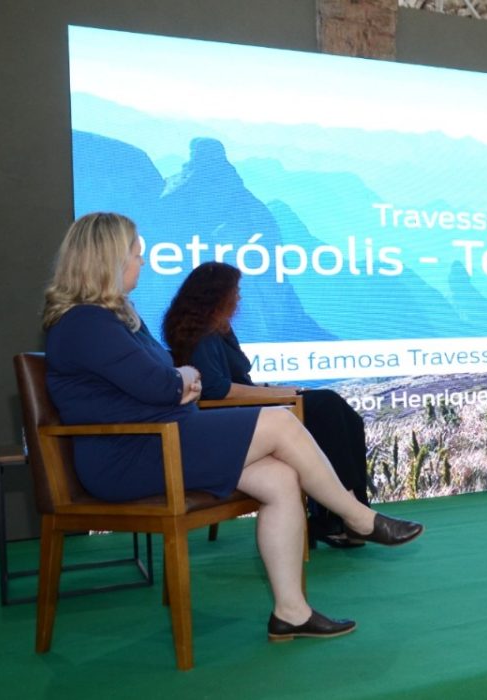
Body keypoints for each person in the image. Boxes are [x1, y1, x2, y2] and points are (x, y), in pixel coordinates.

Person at [42, 212, 423, 643]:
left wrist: (179, 380)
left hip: (163, 442)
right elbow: (162, 383)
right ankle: (358, 517)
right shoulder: (86, 322)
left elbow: (165, 376)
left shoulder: (116, 318)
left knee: (281, 478)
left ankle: (291, 612)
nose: (141, 262)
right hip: (132, 456)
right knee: (280, 423)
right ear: (107, 260)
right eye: (135, 254)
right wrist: (183, 379)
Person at [162, 261, 404, 548]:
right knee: (325, 407)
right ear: (216, 295)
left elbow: (242, 382)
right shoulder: (200, 335)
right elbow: (217, 390)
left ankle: (345, 513)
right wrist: (281, 396)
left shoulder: (220, 330)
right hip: (231, 420)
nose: (239, 297)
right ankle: (345, 515)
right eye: (235, 291)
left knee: (343, 414)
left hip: (247, 408)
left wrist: (283, 391)